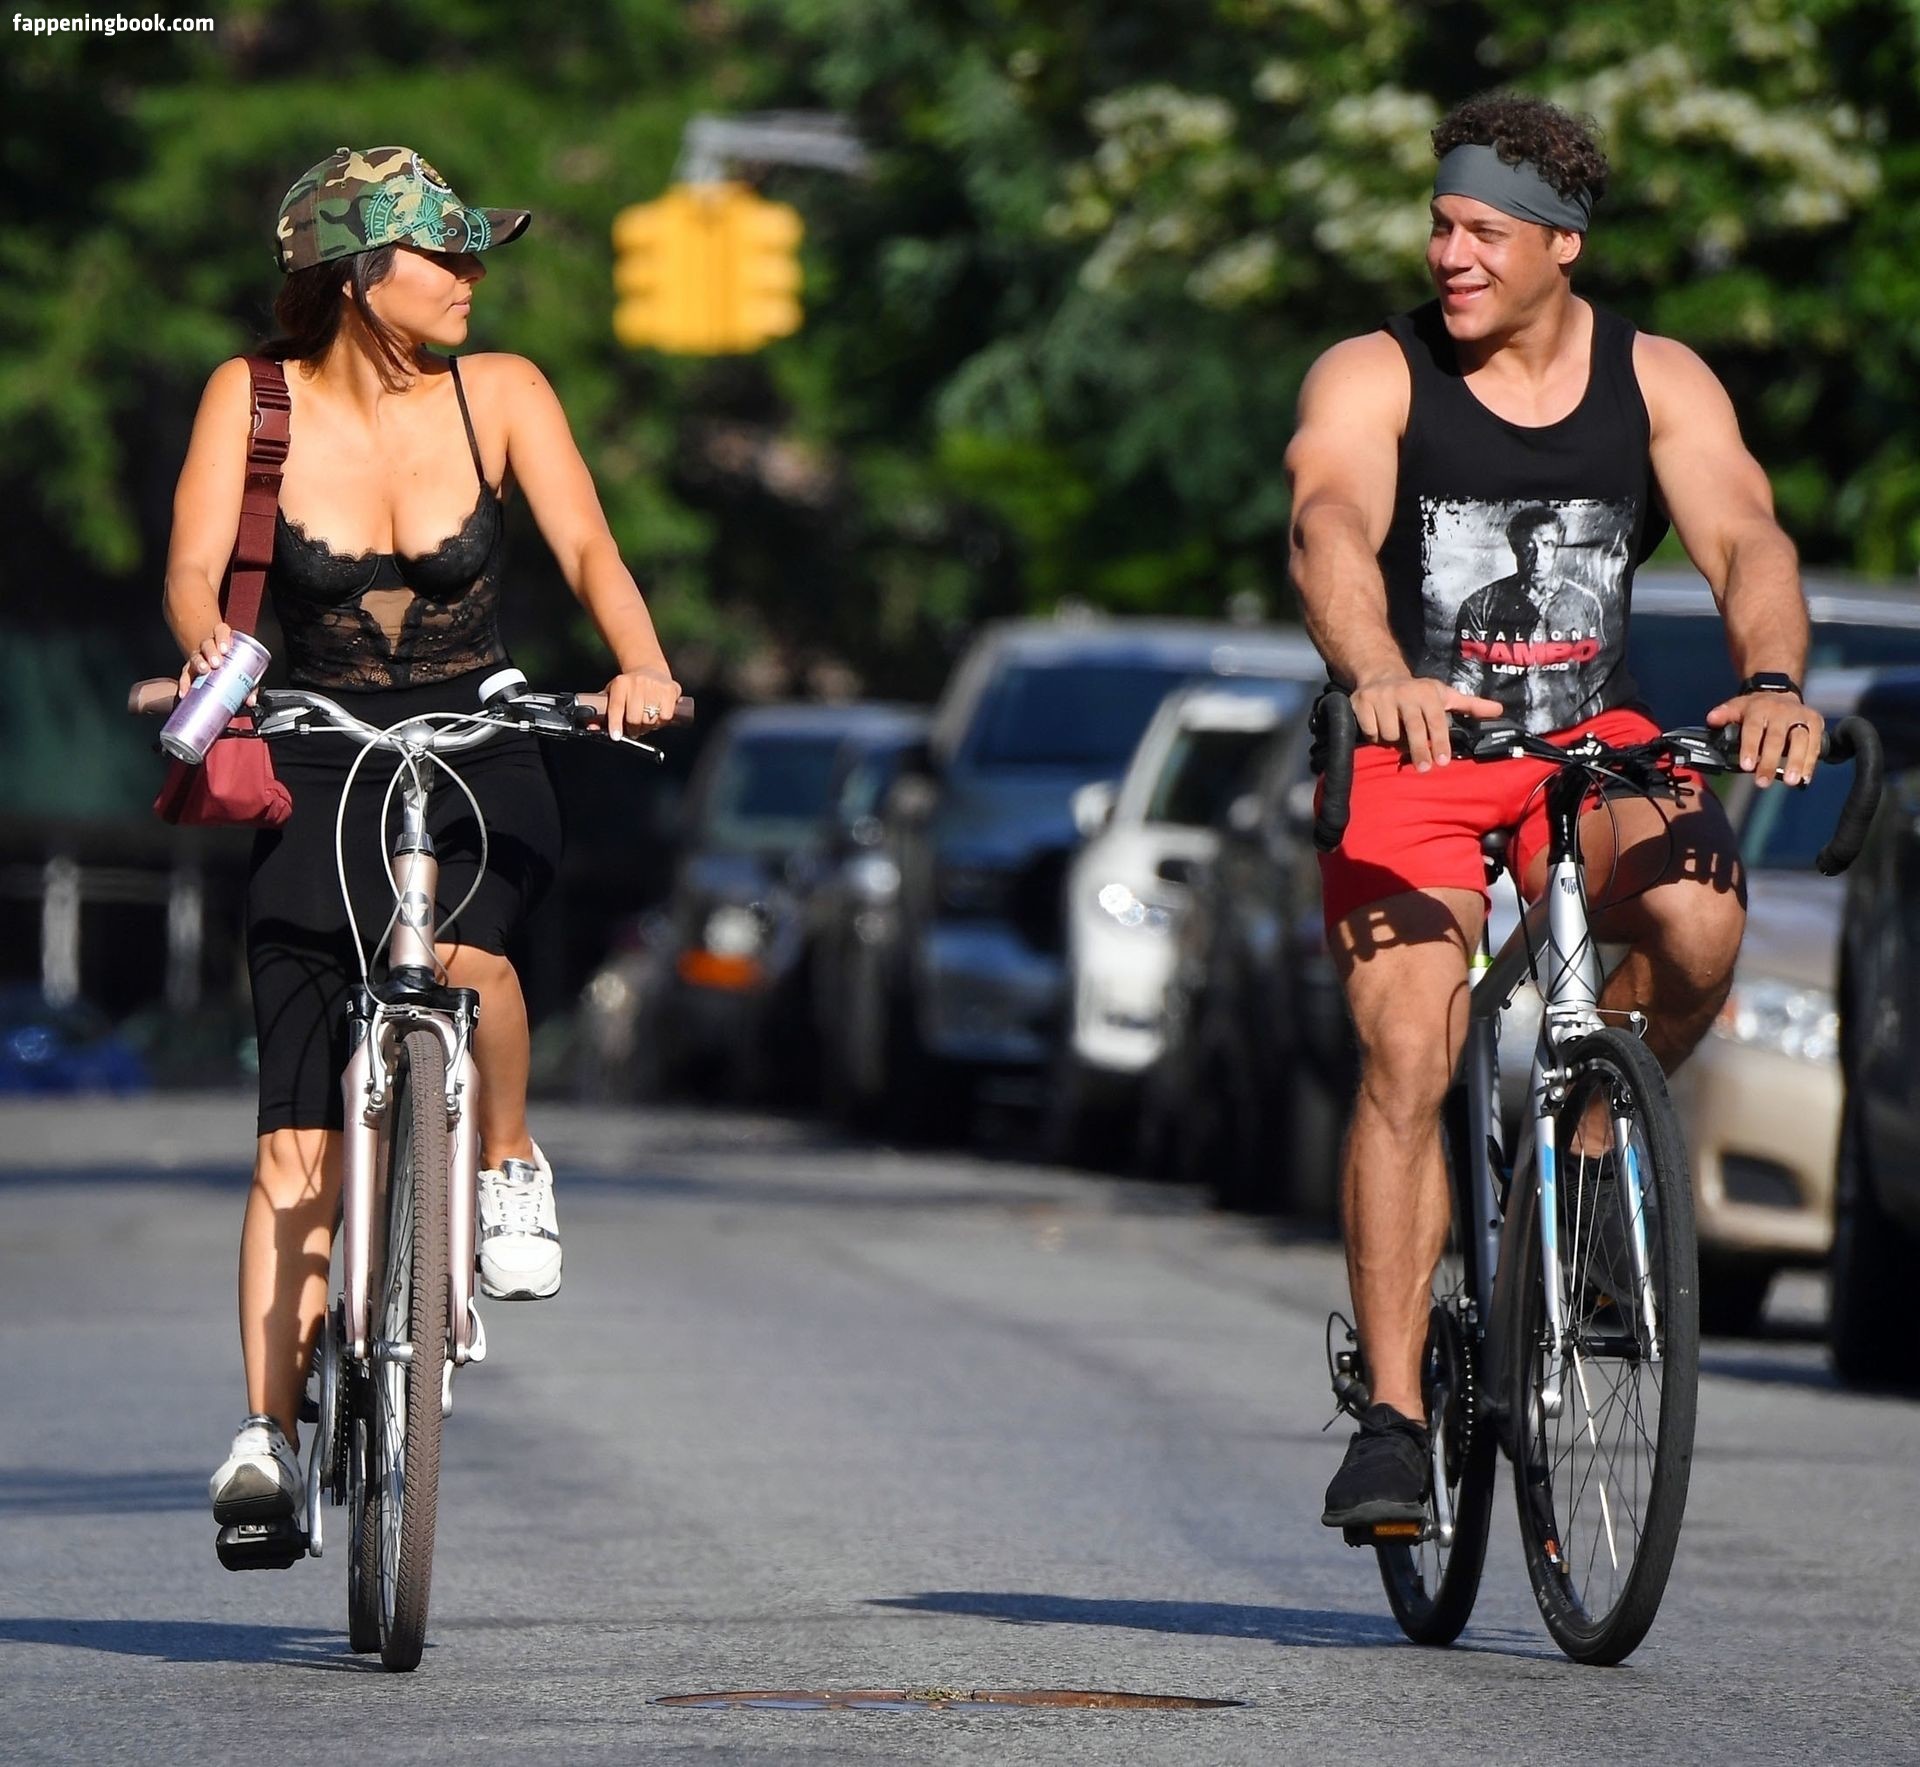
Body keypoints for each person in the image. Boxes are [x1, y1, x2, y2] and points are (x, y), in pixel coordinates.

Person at [1283, 94, 1821, 1529]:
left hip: (1591, 738)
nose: (1449, 255)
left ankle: (1583, 1158)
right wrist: (1377, 673)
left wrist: (1774, 678)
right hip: (1417, 743)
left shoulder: (1656, 378)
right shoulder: (1377, 371)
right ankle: (1395, 1418)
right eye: (1440, 226)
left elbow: (1746, 535)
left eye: (1484, 232)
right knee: (1412, 1041)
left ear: (1562, 246)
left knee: (1701, 927)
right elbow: (1329, 522)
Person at [164, 146, 682, 1535]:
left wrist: (640, 666)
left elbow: (590, 550)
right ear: (356, 275)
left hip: (479, 732)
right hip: (317, 742)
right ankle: (268, 1438)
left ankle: (506, 1158)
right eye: (442, 256)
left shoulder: (500, 393)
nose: (470, 279)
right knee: (296, 1141)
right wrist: (209, 659)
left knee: (467, 951)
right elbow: (195, 570)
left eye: (471, 253)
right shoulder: (250, 397)